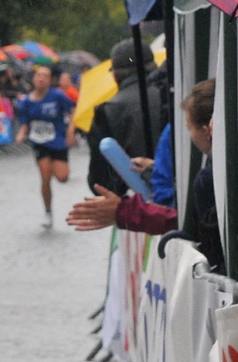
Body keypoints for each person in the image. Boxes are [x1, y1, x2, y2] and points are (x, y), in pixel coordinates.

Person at [66, 78, 222, 271]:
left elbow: (188, 224)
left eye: (189, 127)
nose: (189, 135)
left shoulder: (208, 179)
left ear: (207, 130)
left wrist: (125, 211)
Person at [86, 38, 169, 197]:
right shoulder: (175, 95)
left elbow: (101, 181)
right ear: (153, 67)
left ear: (115, 76)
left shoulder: (107, 111)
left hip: (141, 205)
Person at [15, 65, 77, 228]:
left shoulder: (57, 96)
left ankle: (62, 170)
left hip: (58, 141)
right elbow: (25, 122)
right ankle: (48, 212)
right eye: (39, 75)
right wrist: (21, 134)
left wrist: (71, 129)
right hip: (39, 142)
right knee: (45, 177)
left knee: (62, 178)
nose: (41, 78)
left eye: (46, 76)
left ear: (50, 80)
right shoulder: (27, 101)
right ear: (34, 79)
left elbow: (73, 109)